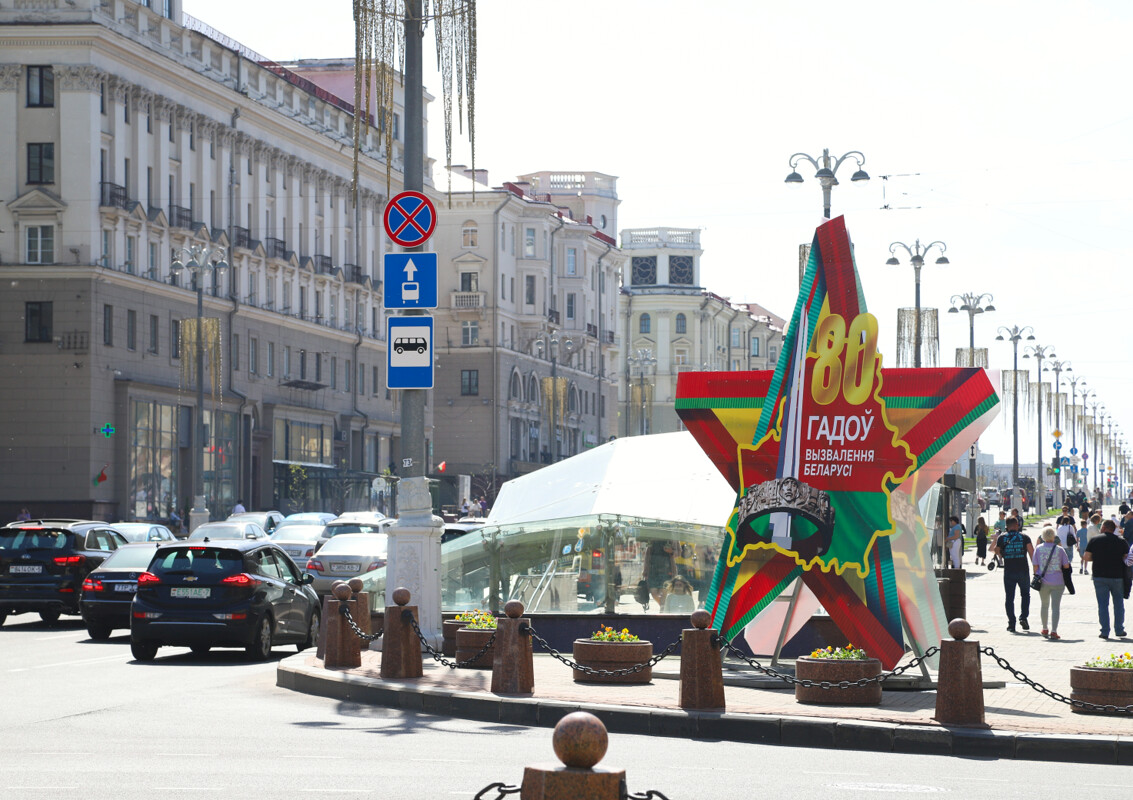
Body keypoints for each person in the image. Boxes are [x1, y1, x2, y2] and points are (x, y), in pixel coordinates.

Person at [1083, 519, 1131, 639]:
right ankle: (1119, 629)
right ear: (1113, 529)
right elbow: (1127, 559)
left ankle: (1104, 631)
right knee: (1118, 604)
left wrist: (1098, 557)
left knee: (1103, 604)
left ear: (1103, 528)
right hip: (1117, 576)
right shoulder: (1122, 542)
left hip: (1099, 576)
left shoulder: (1095, 540)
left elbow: (1087, 557)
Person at [994, 516, 1034, 633]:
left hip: (1009, 571)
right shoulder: (1025, 537)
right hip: (1023, 571)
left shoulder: (1002, 538)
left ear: (1006, 526)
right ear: (1017, 525)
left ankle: (1011, 623)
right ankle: (1023, 617)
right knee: (1025, 595)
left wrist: (1003, 554)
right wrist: (1037, 570)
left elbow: (996, 551)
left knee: (1009, 598)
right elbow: (1032, 554)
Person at [1032, 526, 1070, 639]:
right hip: (1058, 581)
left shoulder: (1038, 549)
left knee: (1044, 605)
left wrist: (1037, 576)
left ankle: (1044, 628)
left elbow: (1035, 566)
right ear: (1054, 536)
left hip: (1043, 581)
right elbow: (1066, 565)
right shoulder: (1060, 550)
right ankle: (1054, 630)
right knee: (1055, 607)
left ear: (1043, 537)